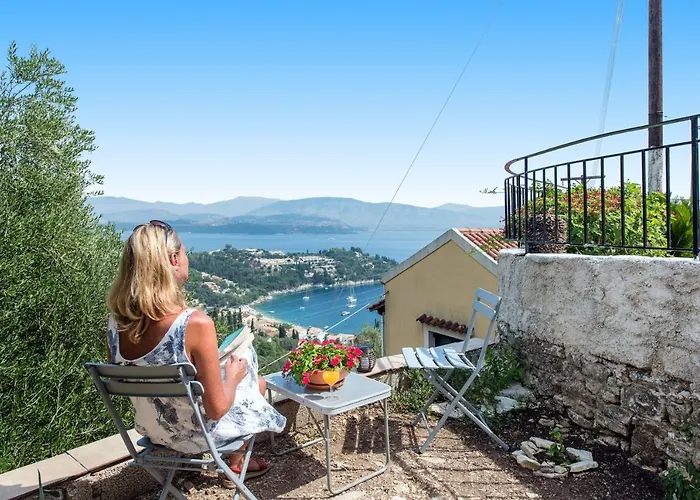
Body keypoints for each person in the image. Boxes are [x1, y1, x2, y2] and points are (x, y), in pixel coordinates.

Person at [106, 220, 284, 486]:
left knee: (247, 380)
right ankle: (235, 467)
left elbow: (122, 380)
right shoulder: (194, 324)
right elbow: (216, 410)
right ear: (174, 260)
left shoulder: (115, 324)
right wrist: (232, 376)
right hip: (199, 437)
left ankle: (235, 466)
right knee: (252, 375)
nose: (187, 258)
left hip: (156, 433)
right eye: (185, 252)